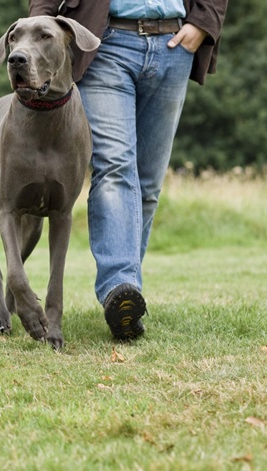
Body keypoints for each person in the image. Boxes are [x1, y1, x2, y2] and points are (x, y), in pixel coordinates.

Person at [28, 0, 227, 340]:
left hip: (173, 44)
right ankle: (119, 287)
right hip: (104, 43)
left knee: (147, 183)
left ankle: (127, 301)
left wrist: (204, 21)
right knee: (115, 166)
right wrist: (36, 30)